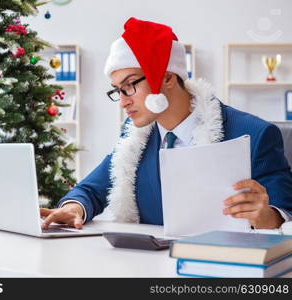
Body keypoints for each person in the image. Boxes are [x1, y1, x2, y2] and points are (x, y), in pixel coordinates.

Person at [40, 17, 292, 230]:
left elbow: (283, 214)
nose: (123, 102)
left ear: (168, 78)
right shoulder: (134, 137)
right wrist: (74, 208)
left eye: (130, 85)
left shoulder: (255, 134)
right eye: (118, 90)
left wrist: (266, 216)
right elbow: (93, 188)